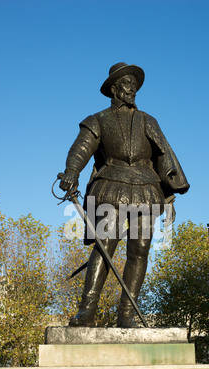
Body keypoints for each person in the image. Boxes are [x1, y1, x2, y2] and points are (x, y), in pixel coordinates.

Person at [59, 62, 189, 327]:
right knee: (105, 245)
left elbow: (164, 156)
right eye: (128, 84)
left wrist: (170, 198)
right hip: (111, 185)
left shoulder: (147, 121)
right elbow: (81, 148)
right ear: (115, 89)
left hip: (146, 189)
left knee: (140, 250)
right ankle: (87, 311)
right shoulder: (98, 119)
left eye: (135, 85)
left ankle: (126, 314)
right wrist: (72, 171)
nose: (133, 89)